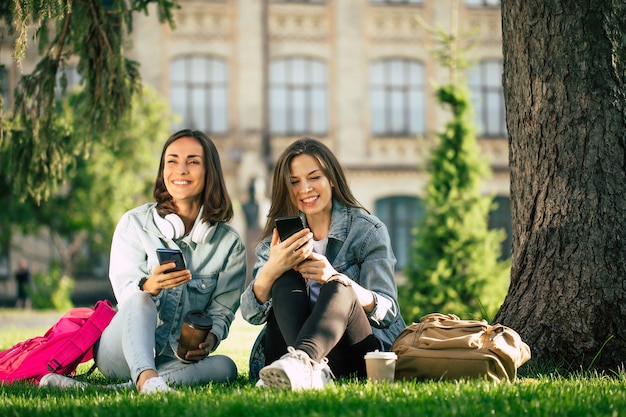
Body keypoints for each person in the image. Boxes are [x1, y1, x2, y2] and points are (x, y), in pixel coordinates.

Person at [39, 129, 247, 394]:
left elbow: (222, 312)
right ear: (163, 170)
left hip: (176, 359)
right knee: (140, 298)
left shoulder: (229, 244)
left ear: (210, 173)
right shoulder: (134, 224)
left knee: (226, 367)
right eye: (172, 161)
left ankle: (127, 387)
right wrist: (149, 285)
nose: (180, 170)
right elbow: (127, 296)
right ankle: (147, 379)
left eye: (193, 162)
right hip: (121, 352)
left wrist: (210, 339)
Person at [240, 137, 406, 390]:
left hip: (352, 352)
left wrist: (336, 278)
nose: (304, 188)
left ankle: (303, 363)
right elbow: (251, 314)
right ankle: (309, 369)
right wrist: (272, 268)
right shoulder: (277, 238)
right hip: (285, 349)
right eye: (294, 182)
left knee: (339, 286)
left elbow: (388, 311)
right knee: (283, 278)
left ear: (331, 178)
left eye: (314, 177)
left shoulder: (367, 231)